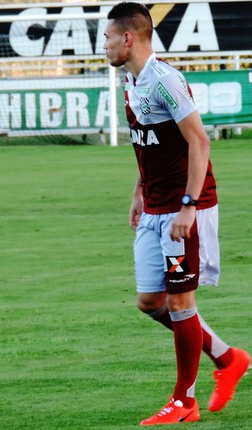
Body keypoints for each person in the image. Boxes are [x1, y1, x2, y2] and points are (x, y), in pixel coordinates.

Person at [103, 2, 250, 426]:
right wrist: (138, 192)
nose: (106, 47)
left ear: (127, 38)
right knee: (151, 302)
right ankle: (228, 358)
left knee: (182, 301)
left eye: (108, 38)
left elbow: (199, 142)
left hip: (187, 206)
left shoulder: (164, 80)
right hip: (154, 204)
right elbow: (150, 144)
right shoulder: (131, 80)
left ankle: (184, 400)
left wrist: (187, 206)